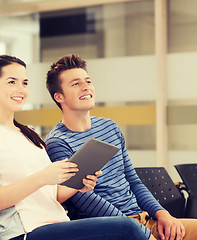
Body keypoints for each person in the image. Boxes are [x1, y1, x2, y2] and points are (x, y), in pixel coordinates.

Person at [0, 55, 148, 240]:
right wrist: (43, 177)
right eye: (12, 82)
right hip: (26, 232)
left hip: (57, 223)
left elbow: (52, 195)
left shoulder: (27, 135)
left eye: (25, 83)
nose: (21, 90)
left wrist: (78, 185)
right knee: (126, 228)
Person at [45, 54, 197, 240]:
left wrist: (162, 214)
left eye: (88, 81)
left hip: (144, 219)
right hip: (111, 228)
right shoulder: (57, 142)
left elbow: (132, 180)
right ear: (59, 96)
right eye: (75, 84)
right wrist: (132, 228)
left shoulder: (109, 127)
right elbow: (81, 199)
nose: (86, 86)